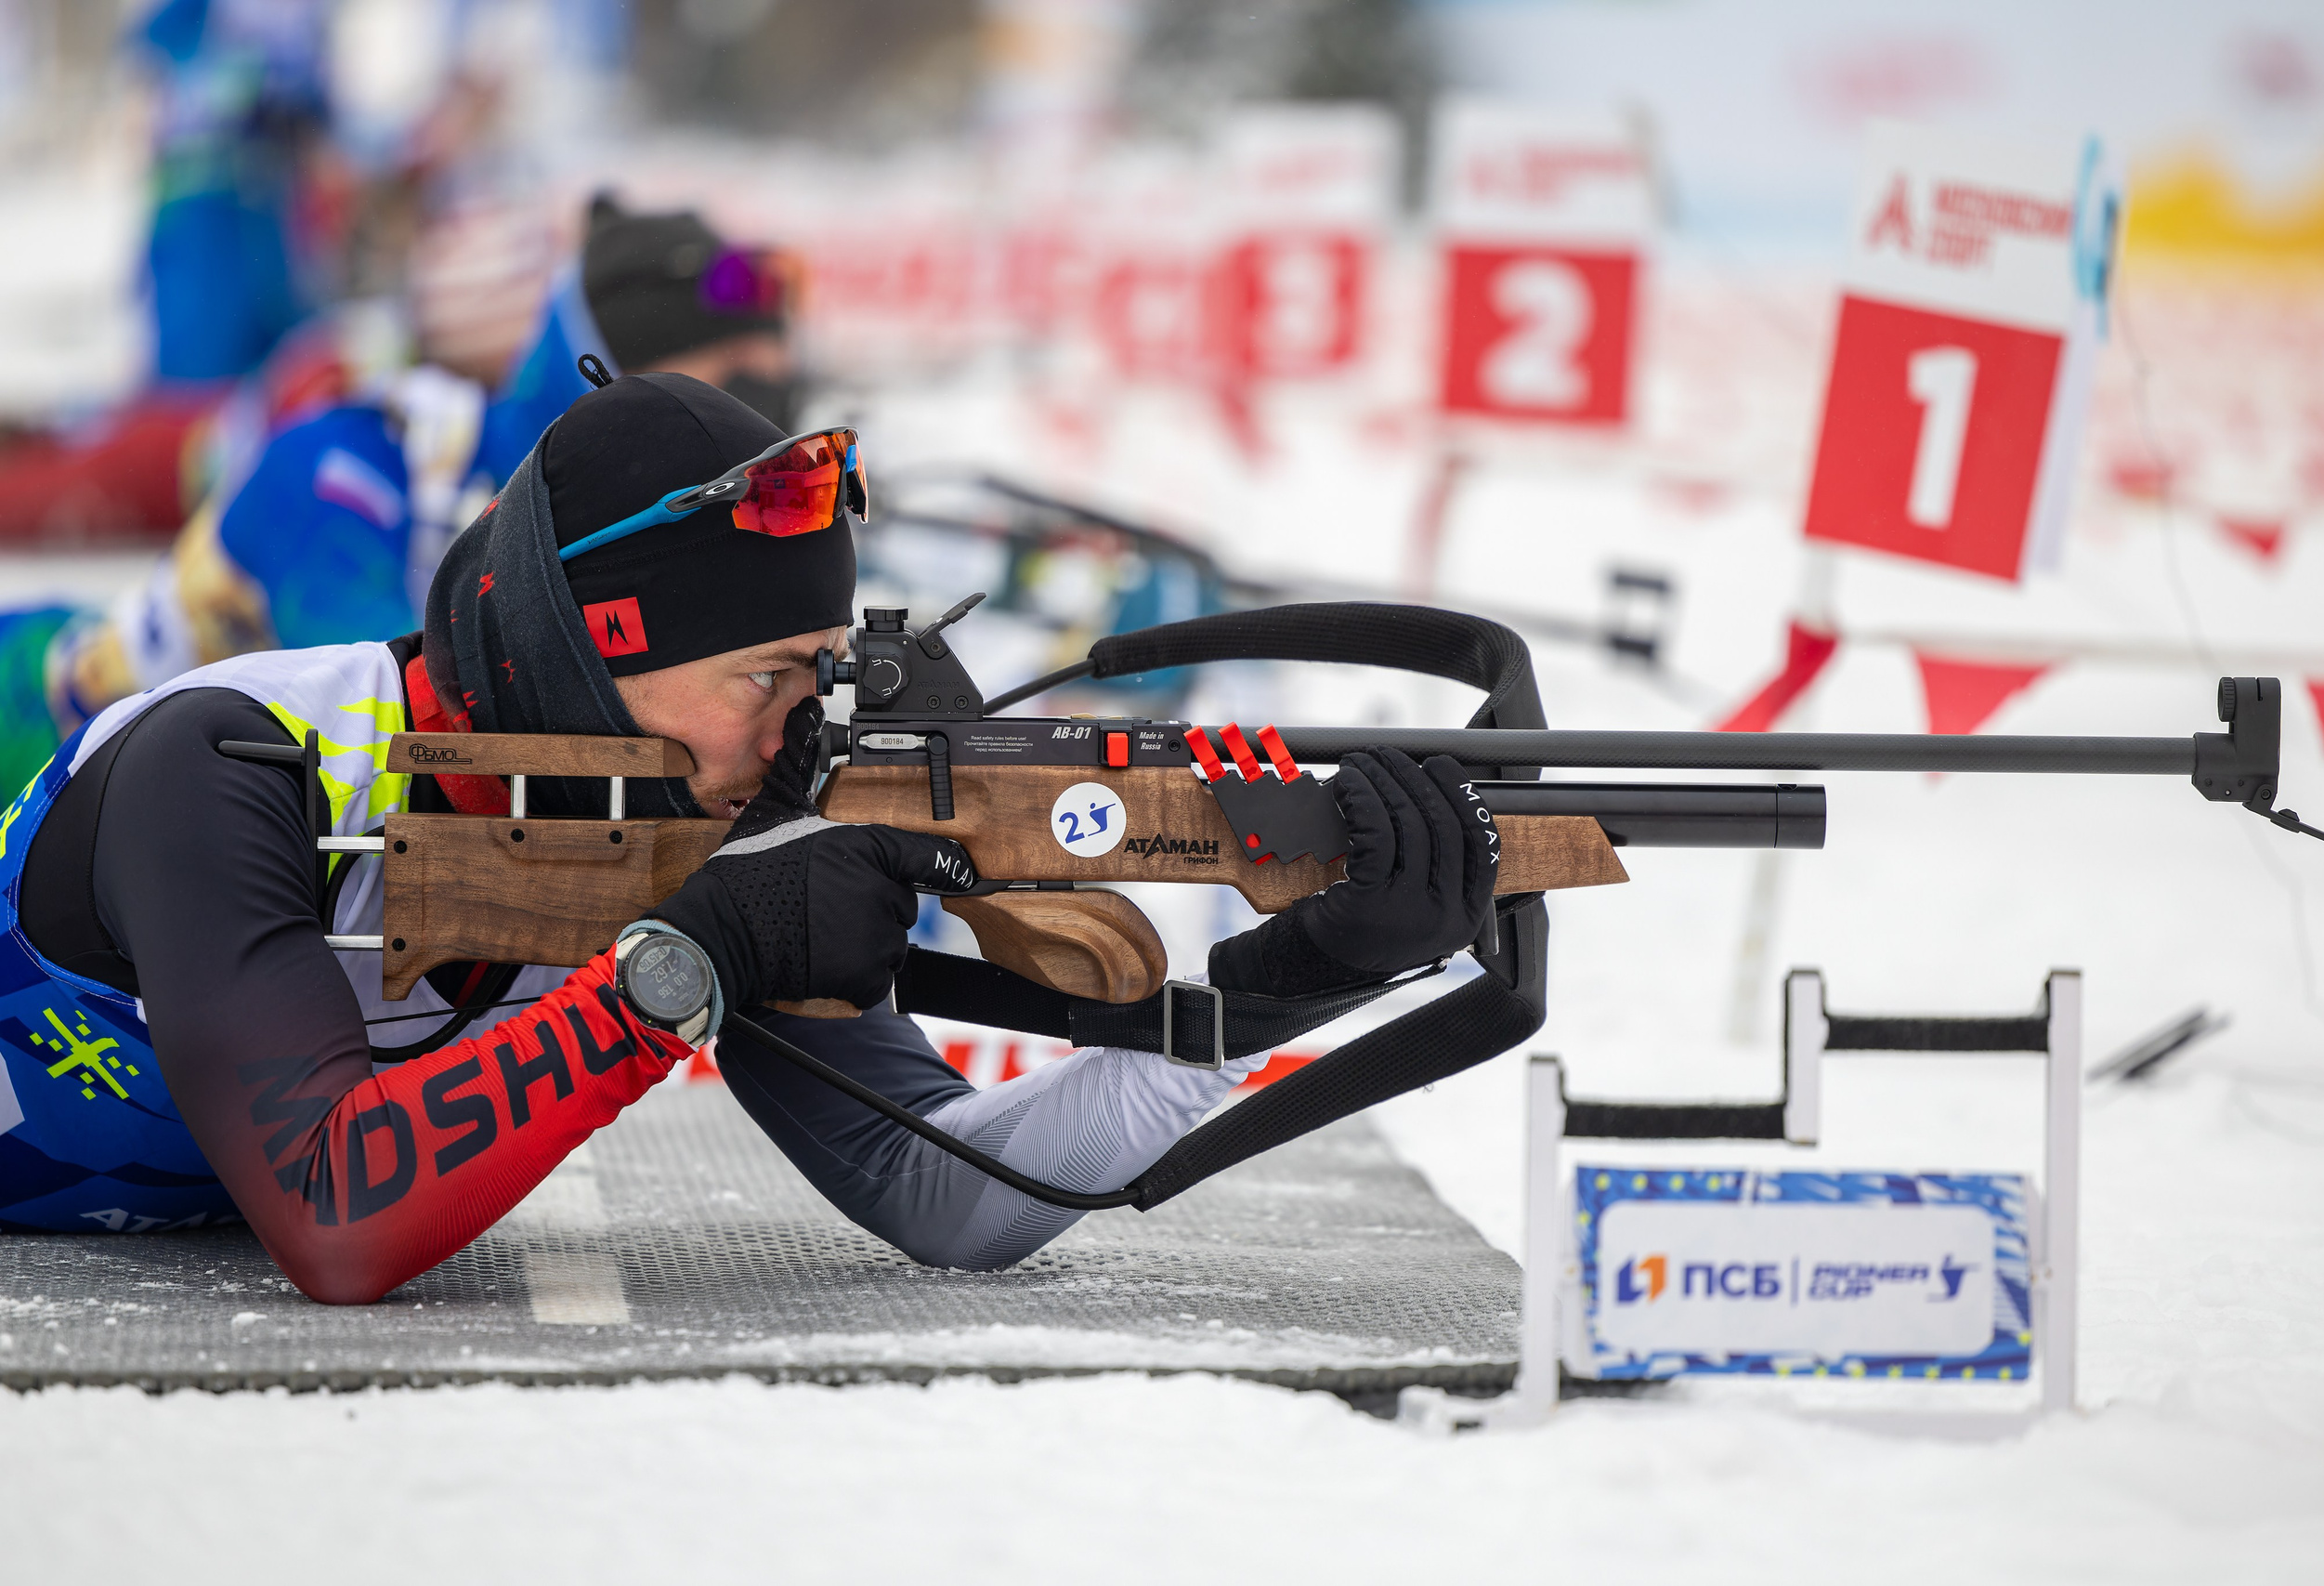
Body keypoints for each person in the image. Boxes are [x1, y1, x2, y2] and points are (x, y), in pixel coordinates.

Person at [0, 372, 1493, 1302]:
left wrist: (1294, 971)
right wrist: (679, 967)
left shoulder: (695, 807)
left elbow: (955, 1192)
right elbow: (337, 1213)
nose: (801, 731)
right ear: (586, 648)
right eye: (764, 679)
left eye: (823, 670)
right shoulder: (239, 763)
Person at [0, 194, 804, 797]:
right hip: (30, 740)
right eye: (731, 395)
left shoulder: (589, 521)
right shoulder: (356, 470)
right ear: (604, 379)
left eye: (778, 408)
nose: (747, 444)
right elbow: (410, 749)